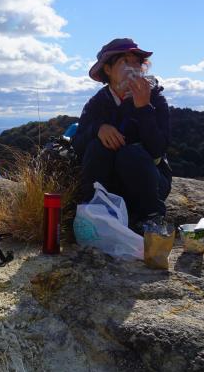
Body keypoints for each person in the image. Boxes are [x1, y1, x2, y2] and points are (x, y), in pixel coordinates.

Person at [71, 38, 172, 231]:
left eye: (137, 62)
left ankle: (152, 219)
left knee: (130, 153)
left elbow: (158, 149)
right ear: (108, 69)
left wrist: (144, 108)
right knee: (97, 146)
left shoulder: (155, 98)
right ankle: (95, 212)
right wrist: (98, 129)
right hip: (110, 185)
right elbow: (78, 146)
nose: (133, 68)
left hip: (150, 183)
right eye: (125, 61)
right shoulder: (97, 103)